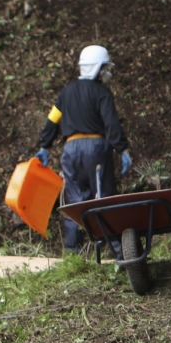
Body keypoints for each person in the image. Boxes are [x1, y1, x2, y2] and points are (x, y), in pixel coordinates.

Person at [36, 45, 132, 254]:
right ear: (98, 68)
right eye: (106, 68)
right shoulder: (102, 93)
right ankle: (120, 251)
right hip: (96, 148)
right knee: (105, 196)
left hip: (71, 150)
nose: (108, 72)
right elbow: (111, 124)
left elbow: (52, 120)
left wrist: (45, 145)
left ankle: (73, 252)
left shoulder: (65, 93)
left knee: (75, 199)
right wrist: (122, 149)